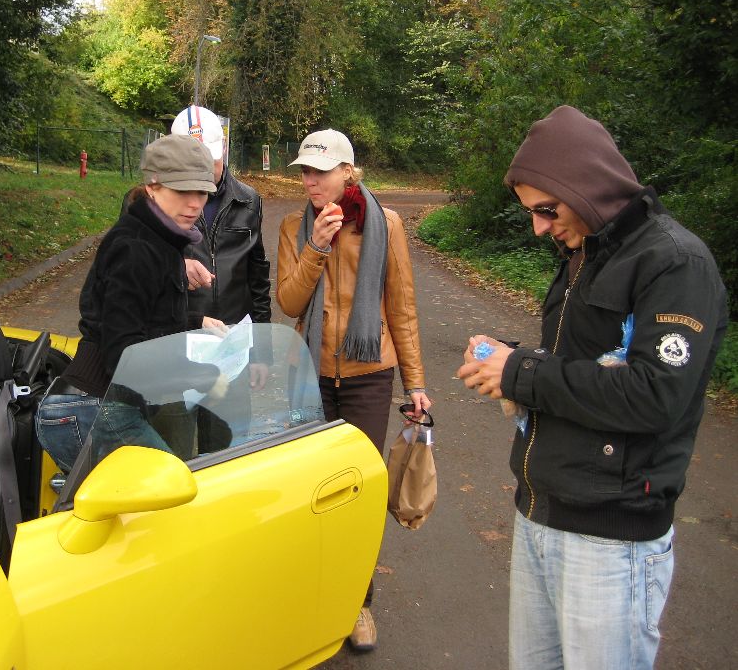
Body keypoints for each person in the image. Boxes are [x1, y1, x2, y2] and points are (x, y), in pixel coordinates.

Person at [455, 105, 728, 670]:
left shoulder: (674, 262)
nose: (539, 227)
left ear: (583, 187)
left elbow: (655, 394)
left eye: (546, 210)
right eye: (531, 213)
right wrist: (511, 359)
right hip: (540, 513)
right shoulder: (583, 253)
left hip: (611, 541)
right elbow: (579, 365)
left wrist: (520, 372)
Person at [276, 128, 432, 652]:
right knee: (312, 491)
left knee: (357, 492)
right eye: (305, 171)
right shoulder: (293, 228)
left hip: (369, 376)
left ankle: (358, 601)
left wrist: (415, 383)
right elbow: (290, 303)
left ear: (348, 172)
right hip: (311, 374)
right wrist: (316, 247)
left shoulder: (386, 225)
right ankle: (316, 591)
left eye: (321, 171)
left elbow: (401, 307)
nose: (310, 181)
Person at [37, 134, 228, 470]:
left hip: (103, 404)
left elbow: (141, 319)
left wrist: (195, 321)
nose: (194, 204)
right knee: (170, 486)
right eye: (182, 191)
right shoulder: (135, 246)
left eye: (202, 192)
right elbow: (122, 352)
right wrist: (201, 377)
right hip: (88, 407)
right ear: (153, 186)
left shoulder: (161, 240)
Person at [170, 104, 272, 391]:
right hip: (176, 347)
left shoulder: (248, 200)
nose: (203, 170)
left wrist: (260, 354)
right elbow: (133, 274)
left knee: (231, 421)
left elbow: (258, 280)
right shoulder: (155, 203)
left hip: (232, 350)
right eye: (193, 162)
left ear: (224, 148)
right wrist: (176, 266)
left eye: (209, 159)